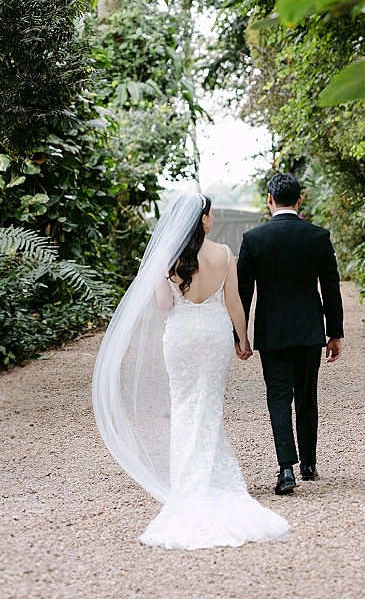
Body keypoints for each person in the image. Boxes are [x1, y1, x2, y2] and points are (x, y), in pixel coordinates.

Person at [92, 191, 289, 550]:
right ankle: (209, 476)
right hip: (214, 336)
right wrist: (242, 340)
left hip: (181, 336)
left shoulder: (167, 259)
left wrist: (158, 275)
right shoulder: (224, 254)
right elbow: (234, 303)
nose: (212, 218)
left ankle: (187, 482)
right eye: (210, 213)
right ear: (204, 218)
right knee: (209, 402)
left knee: (184, 404)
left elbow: (165, 305)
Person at [237, 173, 344, 496]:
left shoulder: (254, 239)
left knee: (279, 400)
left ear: (270, 199)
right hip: (310, 330)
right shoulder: (318, 236)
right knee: (307, 397)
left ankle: (286, 469)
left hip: (272, 334)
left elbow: (243, 293)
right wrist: (334, 333)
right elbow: (331, 289)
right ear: (300, 200)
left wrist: (239, 336)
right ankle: (309, 464)